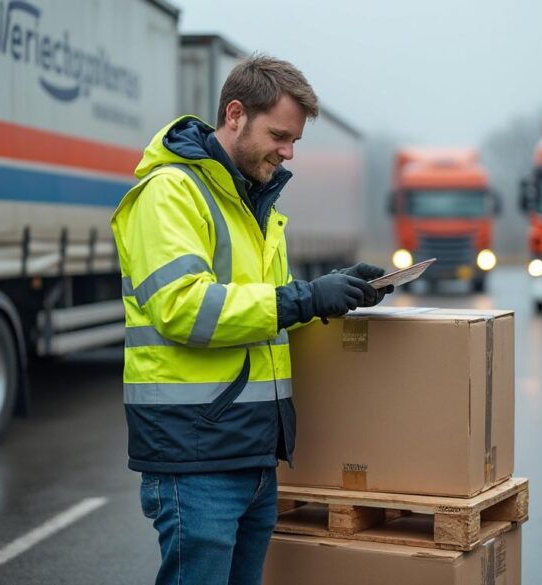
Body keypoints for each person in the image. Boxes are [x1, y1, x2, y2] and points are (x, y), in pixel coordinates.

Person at [109, 55, 392, 585]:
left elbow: (265, 317)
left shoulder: (254, 205)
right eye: (280, 136)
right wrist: (306, 298)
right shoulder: (170, 193)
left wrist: (338, 292)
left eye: (295, 143)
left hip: (252, 452)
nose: (288, 153)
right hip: (195, 455)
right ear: (235, 114)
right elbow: (183, 309)